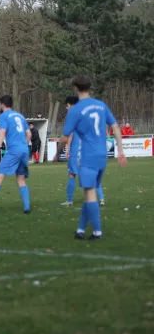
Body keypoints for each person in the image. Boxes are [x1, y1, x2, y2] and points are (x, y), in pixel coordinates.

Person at [54, 75, 126, 240]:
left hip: (88, 156)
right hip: (102, 155)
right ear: (90, 87)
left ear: (75, 88)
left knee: (89, 192)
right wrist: (120, 150)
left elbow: (65, 138)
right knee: (89, 193)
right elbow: (115, 126)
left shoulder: (75, 110)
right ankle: (80, 230)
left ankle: (97, 232)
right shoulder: (101, 105)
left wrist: (57, 153)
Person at [60, 96, 105, 207]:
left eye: (67, 106)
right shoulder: (87, 114)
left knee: (72, 174)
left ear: (72, 105)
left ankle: (69, 201)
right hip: (89, 150)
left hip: (76, 151)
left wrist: (67, 149)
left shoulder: (73, 115)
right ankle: (102, 199)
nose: (67, 108)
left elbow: (69, 135)